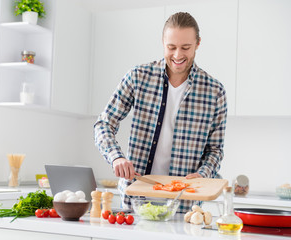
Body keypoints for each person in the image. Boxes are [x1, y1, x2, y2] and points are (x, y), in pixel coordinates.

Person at [94, 12, 227, 213]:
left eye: (185, 47)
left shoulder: (215, 92)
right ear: (163, 42)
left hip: (184, 205)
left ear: (198, 43)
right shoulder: (138, 77)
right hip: (135, 200)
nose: (177, 55)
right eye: (171, 47)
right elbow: (104, 124)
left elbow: (215, 150)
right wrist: (116, 157)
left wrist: (203, 173)